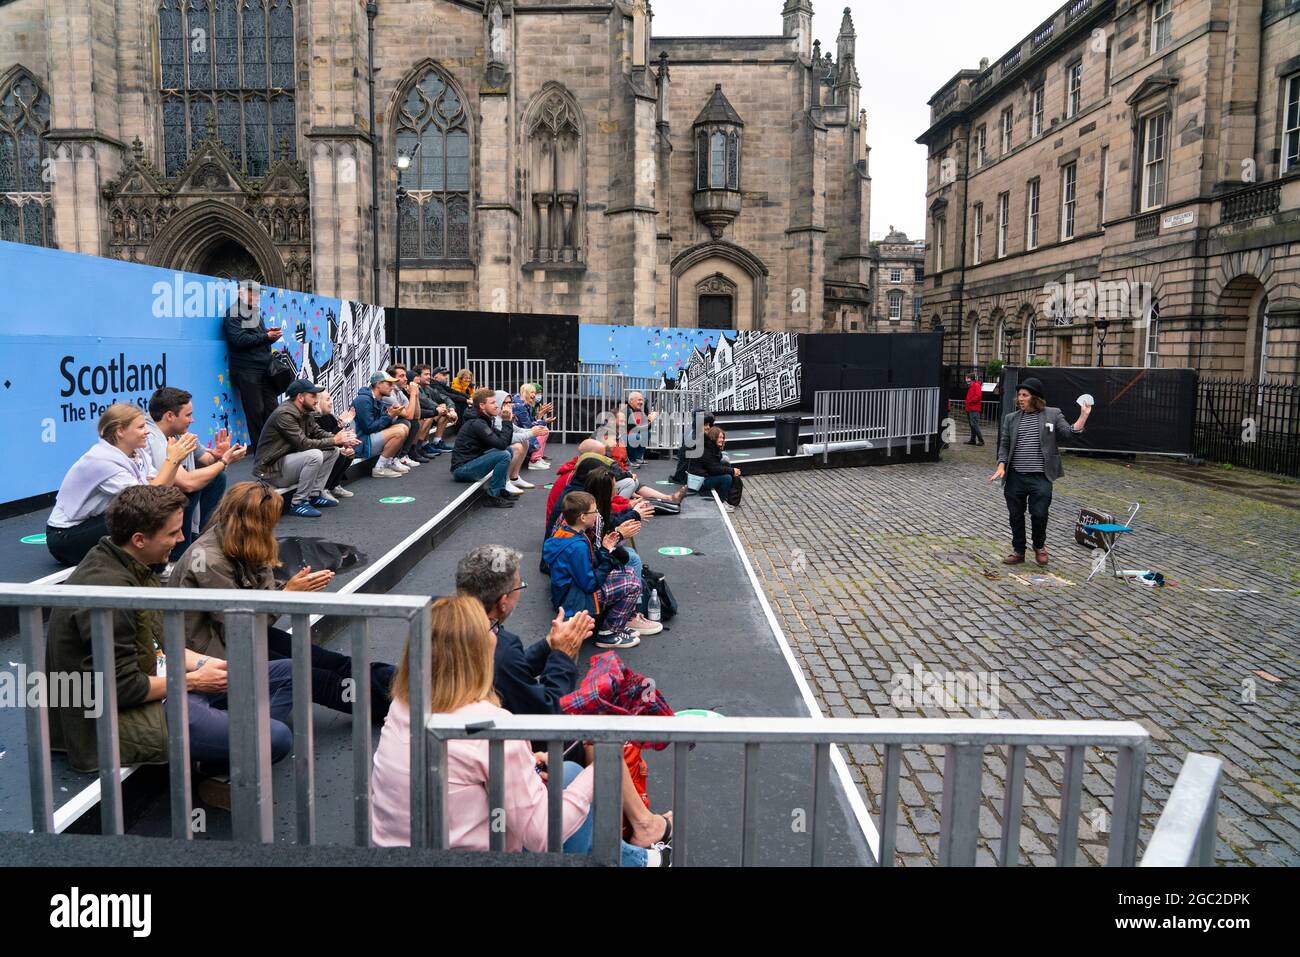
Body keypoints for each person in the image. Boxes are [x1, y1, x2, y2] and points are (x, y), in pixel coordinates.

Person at [368, 595, 665, 865]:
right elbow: (543, 834)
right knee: (579, 788)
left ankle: (634, 855)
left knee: (569, 775)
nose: (498, 637)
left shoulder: (403, 705)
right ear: (476, 652)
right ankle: (637, 856)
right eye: (492, 630)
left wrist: (524, 761)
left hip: (398, 853)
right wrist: (602, 766)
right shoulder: (494, 727)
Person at [46, 485, 293, 793]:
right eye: (173, 533)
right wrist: (196, 681)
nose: (181, 540)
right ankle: (226, 755)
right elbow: (121, 688)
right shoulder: (107, 591)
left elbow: (162, 645)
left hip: (166, 683)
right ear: (140, 539)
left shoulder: (133, 563)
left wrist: (209, 664)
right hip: (116, 718)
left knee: (289, 673)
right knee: (277, 737)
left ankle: (220, 762)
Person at [455, 544, 674, 847]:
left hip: (465, 744)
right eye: (520, 585)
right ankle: (640, 826)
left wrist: (548, 645)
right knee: (600, 733)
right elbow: (550, 715)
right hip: (503, 748)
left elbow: (512, 670)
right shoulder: (497, 648)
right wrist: (563, 655)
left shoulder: (451, 625)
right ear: (504, 601)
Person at [171, 481, 396, 722]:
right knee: (319, 679)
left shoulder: (242, 539)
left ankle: (403, 681)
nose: (275, 525)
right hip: (216, 650)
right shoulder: (208, 560)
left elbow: (260, 595)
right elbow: (240, 622)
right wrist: (287, 594)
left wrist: (293, 587)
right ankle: (395, 712)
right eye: (271, 520)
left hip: (236, 634)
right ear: (255, 522)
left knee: (330, 660)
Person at [46, 403, 198, 566]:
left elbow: (160, 491)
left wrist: (173, 463)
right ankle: (160, 566)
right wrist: (173, 460)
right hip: (65, 538)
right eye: (140, 427)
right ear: (120, 431)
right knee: (139, 516)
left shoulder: (137, 453)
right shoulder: (102, 461)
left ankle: (169, 559)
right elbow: (147, 500)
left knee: (172, 499)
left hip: (93, 521)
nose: (147, 431)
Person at [989, 376, 1092, 566]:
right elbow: (1004, 445)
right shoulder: (1011, 419)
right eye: (1019, 395)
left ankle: (1039, 546)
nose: (1020, 398)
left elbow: (1068, 434)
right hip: (1015, 477)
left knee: (1039, 514)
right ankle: (1018, 551)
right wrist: (1001, 465)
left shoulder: (1052, 414)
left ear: (1035, 397)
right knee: (1015, 516)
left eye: (1025, 395)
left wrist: (1083, 415)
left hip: (1041, 477)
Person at [144, 386, 247, 560]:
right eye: (188, 415)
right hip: (142, 506)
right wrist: (224, 462)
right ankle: (178, 552)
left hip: (160, 497)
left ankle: (200, 536)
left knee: (216, 478)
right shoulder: (152, 439)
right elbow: (187, 483)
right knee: (187, 489)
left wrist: (219, 455)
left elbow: (207, 460)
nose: (192, 420)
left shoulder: (179, 434)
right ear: (170, 416)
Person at [543, 491, 643, 650]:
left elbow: (586, 566)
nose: (597, 514)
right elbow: (590, 584)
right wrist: (609, 560)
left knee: (629, 572)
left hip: (566, 592)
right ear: (582, 517)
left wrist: (604, 550)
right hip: (574, 600)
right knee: (633, 584)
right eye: (594, 511)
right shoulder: (577, 546)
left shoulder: (565, 533)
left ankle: (616, 624)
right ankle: (609, 632)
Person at [254, 379, 358, 517]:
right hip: (271, 471)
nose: (316, 400)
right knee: (314, 455)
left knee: (332, 451)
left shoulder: (305, 411)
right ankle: (298, 502)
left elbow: (318, 433)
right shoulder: (284, 414)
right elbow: (303, 444)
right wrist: (334, 439)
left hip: (286, 464)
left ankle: (315, 494)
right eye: (313, 396)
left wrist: (341, 440)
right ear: (300, 397)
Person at [222, 281, 283, 451]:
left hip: (263, 369)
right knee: (255, 412)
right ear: (241, 293)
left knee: (272, 409)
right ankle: (261, 450)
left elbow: (256, 337)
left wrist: (269, 335)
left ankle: (276, 447)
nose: (255, 296)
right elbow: (238, 340)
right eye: (251, 293)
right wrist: (266, 337)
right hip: (247, 370)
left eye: (257, 294)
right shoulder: (233, 313)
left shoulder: (254, 312)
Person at [449, 388, 530, 508]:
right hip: (462, 470)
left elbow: (503, 441)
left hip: (472, 462)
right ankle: (493, 496)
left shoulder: (485, 420)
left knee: (508, 450)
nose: (497, 406)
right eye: (492, 403)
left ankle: (501, 489)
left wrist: (507, 422)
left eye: (496, 403)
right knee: (504, 454)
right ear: (482, 406)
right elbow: (501, 443)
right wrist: (507, 421)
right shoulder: (478, 423)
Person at [352, 371, 413, 479]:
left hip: (368, 439)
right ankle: (379, 468)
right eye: (389, 384)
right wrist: (388, 416)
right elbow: (369, 428)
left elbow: (380, 425)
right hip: (361, 444)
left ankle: (389, 462)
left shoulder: (377, 399)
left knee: (404, 427)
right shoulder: (363, 400)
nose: (392, 387)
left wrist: (391, 415)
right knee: (399, 431)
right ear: (378, 384)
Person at [385, 363, 434, 465]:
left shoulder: (399, 391)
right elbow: (410, 416)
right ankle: (398, 457)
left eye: (405, 376)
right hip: (382, 428)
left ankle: (404, 455)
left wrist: (415, 395)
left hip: (391, 425)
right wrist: (413, 394)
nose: (406, 379)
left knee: (415, 422)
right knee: (407, 423)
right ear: (392, 379)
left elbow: (416, 415)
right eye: (401, 376)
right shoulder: (389, 394)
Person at [687, 425, 743, 511]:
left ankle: (725, 496)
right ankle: (720, 503)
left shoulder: (711, 447)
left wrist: (730, 470)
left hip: (704, 475)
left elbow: (714, 466)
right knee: (726, 478)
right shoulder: (705, 449)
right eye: (720, 437)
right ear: (714, 437)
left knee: (725, 464)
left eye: (723, 438)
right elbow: (714, 469)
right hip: (697, 482)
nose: (722, 440)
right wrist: (732, 471)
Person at [314, 389, 357, 499]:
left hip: (325, 449)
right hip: (315, 453)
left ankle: (334, 486)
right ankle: (324, 488)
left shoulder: (329, 416)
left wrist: (347, 442)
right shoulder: (313, 418)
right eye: (327, 399)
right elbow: (320, 441)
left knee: (349, 452)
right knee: (338, 452)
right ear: (318, 402)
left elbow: (334, 437)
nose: (331, 402)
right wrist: (340, 428)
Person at [411, 364, 457, 453]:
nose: (429, 377)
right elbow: (427, 402)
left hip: (424, 416)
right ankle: (420, 446)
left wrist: (452, 410)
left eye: (429, 374)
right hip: (416, 418)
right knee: (432, 414)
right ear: (417, 376)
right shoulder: (415, 387)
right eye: (426, 374)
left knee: (442, 406)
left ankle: (436, 441)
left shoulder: (427, 387)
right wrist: (445, 411)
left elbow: (445, 397)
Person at [511, 383, 552, 470]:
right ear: (525, 393)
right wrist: (543, 421)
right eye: (532, 392)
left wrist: (541, 417)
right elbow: (528, 425)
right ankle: (534, 461)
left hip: (520, 430)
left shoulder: (525, 403)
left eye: (535, 392)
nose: (534, 395)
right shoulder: (520, 406)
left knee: (543, 429)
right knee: (543, 431)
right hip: (517, 432)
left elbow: (531, 420)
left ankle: (537, 458)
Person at [670, 410, 713, 485]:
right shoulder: (695, 439)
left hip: (695, 473)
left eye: (709, 425)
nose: (708, 427)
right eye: (705, 425)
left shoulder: (698, 435)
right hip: (690, 478)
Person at [624, 392, 658, 468]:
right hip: (620, 438)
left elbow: (646, 428)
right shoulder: (627, 410)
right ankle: (631, 460)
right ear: (631, 401)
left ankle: (637, 457)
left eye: (642, 400)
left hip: (629, 435)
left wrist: (649, 420)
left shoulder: (637, 410)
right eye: (639, 400)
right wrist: (649, 420)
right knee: (636, 436)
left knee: (647, 434)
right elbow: (635, 429)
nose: (641, 402)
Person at [964, 373, 986, 447]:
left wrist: (970, 401)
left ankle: (981, 440)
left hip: (974, 408)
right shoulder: (972, 386)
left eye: (967, 378)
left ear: (970, 378)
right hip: (970, 408)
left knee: (974, 425)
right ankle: (973, 440)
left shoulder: (976, 385)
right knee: (972, 425)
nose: (966, 379)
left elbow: (978, 396)